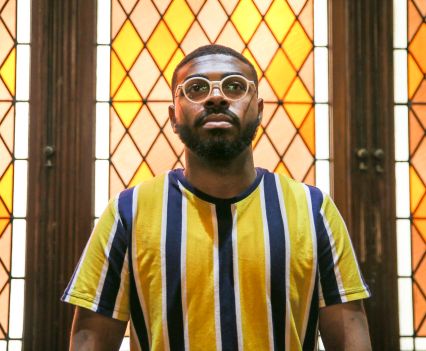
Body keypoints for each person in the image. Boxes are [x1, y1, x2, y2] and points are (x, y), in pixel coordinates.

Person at [62, 44, 372, 351]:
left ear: (260, 110)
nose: (216, 96)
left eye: (235, 86)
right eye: (196, 88)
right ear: (173, 116)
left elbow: (349, 335)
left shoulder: (313, 209)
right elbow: (90, 339)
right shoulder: (128, 213)